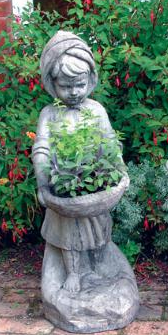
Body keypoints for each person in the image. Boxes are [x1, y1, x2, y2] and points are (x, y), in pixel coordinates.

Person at [31, 31, 117, 293]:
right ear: (51, 83)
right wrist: (43, 184)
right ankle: (73, 273)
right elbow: (41, 148)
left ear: (90, 80)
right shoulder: (50, 114)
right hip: (63, 186)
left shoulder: (96, 110)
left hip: (93, 185)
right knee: (68, 235)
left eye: (79, 84)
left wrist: (116, 170)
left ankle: (98, 264)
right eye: (65, 86)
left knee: (98, 229)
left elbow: (110, 144)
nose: (74, 92)